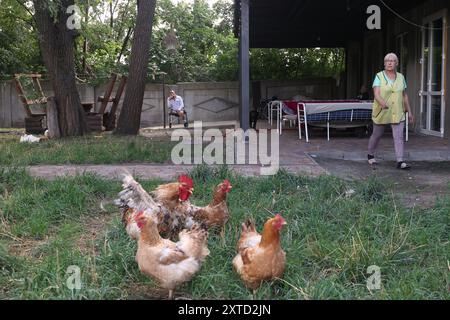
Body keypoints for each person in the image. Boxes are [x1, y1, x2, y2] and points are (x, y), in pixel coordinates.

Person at [368, 53, 414, 170]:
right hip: (382, 110)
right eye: (387, 61)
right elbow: (376, 93)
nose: (389, 62)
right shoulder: (379, 76)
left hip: (397, 111)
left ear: (396, 63)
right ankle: (370, 154)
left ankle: (400, 161)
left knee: (398, 136)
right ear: (384, 63)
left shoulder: (401, 77)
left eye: (392, 61)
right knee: (377, 135)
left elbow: (404, 96)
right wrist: (382, 102)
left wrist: (409, 112)